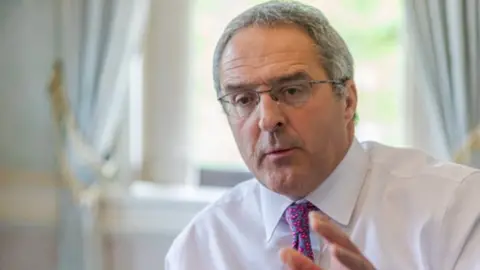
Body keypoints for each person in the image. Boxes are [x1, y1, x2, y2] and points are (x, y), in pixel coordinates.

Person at [165, 1, 480, 269]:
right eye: (244, 100)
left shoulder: (457, 209)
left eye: (291, 90)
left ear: (347, 100)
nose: (267, 120)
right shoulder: (201, 248)